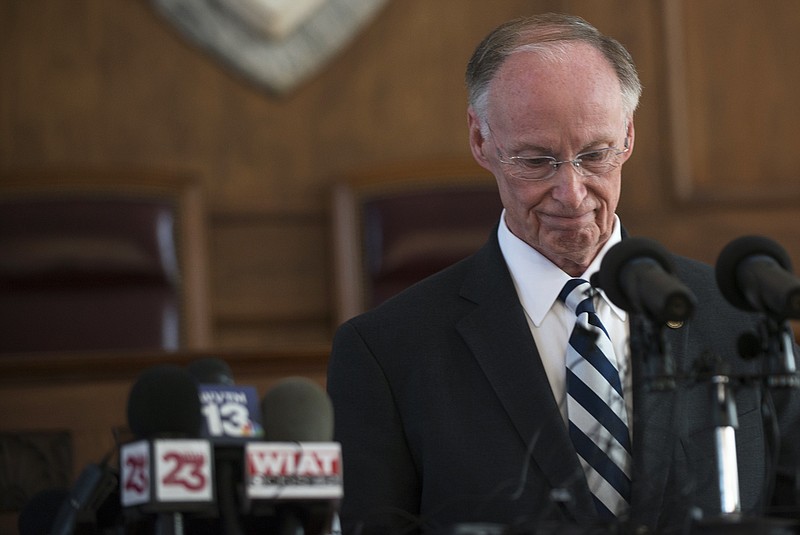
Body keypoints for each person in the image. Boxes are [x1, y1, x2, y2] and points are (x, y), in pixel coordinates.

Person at [327, 13, 800, 534]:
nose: (571, 194)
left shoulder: (738, 317)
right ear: (481, 140)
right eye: (536, 161)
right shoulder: (384, 353)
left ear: (628, 136)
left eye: (594, 156)